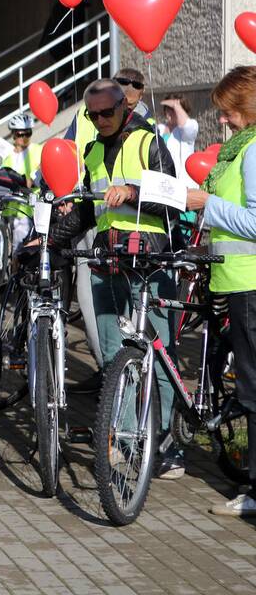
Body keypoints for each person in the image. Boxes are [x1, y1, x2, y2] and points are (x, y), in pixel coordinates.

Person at [50, 78, 184, 479]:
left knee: (156, 356)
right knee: (113, 356)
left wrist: (132, 190)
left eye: (108, 112)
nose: (101, 120)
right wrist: (49, 237)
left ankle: (166, 443)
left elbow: (173, 203)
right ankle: (126, 438)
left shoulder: (149, 143)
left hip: (150, 264)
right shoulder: (90, 152)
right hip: (106, 263)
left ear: (125, 108)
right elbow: (90, 211)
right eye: (93, 116)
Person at [185, 65, 256, 516]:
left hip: (250, 283)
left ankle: (253, 490)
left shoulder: (252, 151)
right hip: (235, 281)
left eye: (228, 112)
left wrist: (208, 205)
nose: (222, 120)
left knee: (252, 392)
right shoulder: (238, 149)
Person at [0, 113, 42, 246]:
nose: (23, 138)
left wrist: (31, 180)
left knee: (19, 246)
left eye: (27, 134)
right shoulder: (7, 154)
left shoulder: (37, 150)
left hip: (26, 207)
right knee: (3, 245)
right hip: (8, 205)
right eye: (20, 134)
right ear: (13, 134)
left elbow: (43, 170)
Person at [158, 94, 200, 188]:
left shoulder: (191, 127)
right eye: (168, 108)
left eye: (174, 109)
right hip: (163, 182)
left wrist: (176, 105)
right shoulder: (159, 128)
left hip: (183, 185)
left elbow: (186, 125)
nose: (170, 112)